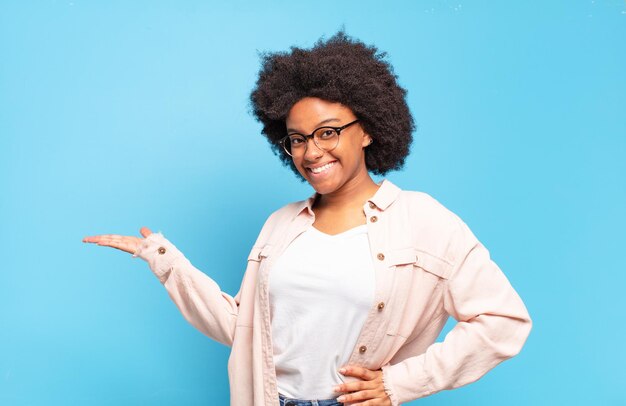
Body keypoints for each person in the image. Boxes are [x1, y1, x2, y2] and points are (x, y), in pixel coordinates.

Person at [83, 32, 532, 406]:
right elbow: (243, 330)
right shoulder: (282, 225)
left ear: (369, 128)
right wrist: (164, 261)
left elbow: (503, 321)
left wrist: (400, 383)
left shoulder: (424, 221)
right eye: (297, 139)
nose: (311, 152)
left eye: (328, 132)